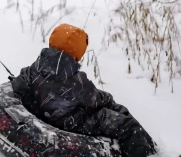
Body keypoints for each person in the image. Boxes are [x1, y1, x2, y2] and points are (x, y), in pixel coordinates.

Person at [10, 23, 157, 157]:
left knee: (115, 110)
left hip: (45, 110)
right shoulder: (77, 82)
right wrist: (107, 98)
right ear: (77, 53)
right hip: (71, 121)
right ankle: (150, 152)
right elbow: (93, 99)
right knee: (126, 124)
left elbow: (20, 81)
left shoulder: (36, 65)